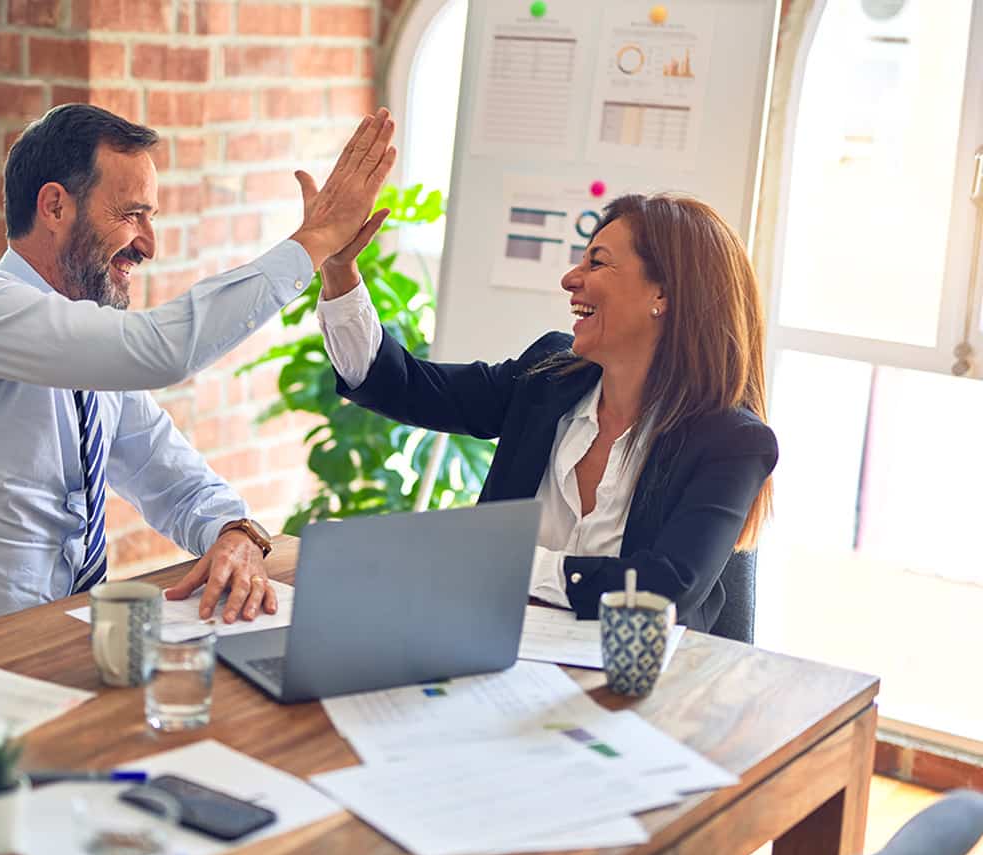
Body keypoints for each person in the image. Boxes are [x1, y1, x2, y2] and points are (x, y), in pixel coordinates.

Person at [0, 103, 396, 645]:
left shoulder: (91, 360)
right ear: (55, 207)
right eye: (132, 214)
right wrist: (315, 241)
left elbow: (176, 481)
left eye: (150, 217)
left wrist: (235, 532)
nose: (148, 244)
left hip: (47, 654)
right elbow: (162, 350)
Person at [315, 193, 777, 632]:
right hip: (492, 652)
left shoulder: (732, 442)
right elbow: (403, 386)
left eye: (596, 262)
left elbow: (663, 590)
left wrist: (504, 561)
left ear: (663, 295)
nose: (570, 279)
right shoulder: (548, 378)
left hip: (638, 690)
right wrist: (339, 269)